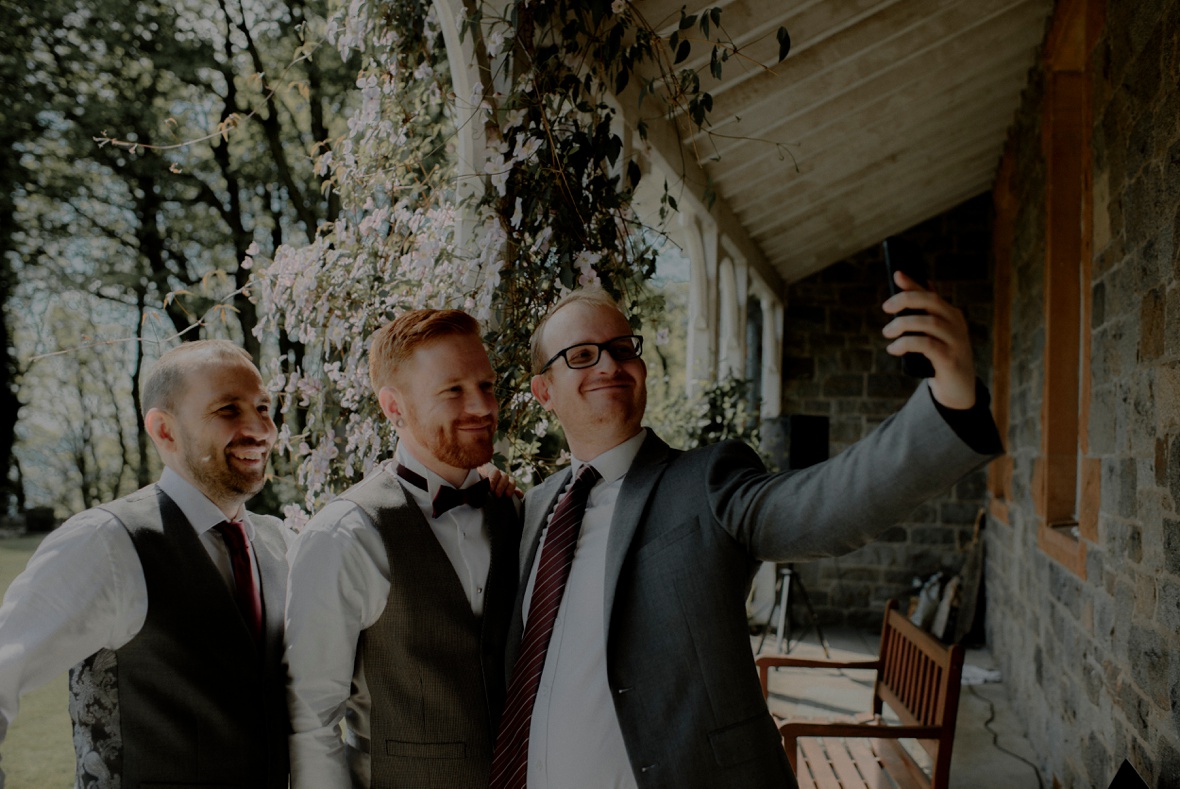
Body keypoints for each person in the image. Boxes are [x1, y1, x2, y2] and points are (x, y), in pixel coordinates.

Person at [490, 278, 1004, 788]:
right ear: (544, 391)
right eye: (581, 355)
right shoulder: (531, 509)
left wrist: (949, 400)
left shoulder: (706, 482)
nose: (608, 364)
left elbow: (825, 504)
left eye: (622, 349)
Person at [0, 339, 289, 789]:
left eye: (265, 407)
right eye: (228, 409)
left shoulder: (281, 543)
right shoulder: (104, 544)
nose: (260, 429)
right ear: (164, 430)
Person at [285, 309, 522, 789]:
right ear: (393, 407)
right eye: (452, 390)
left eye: (487, 385)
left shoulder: (517, 511)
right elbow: (310, 719)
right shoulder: (346, 535)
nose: (481, 406)